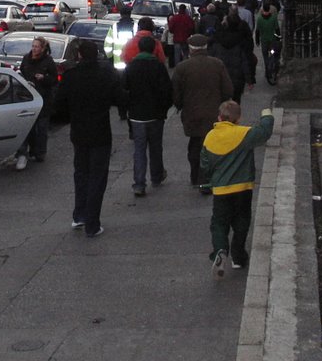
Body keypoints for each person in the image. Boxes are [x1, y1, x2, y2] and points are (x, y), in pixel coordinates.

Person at [54, 40, 126, 238]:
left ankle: (80, 215)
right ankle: (92, 223)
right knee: (97, 176)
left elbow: (58, 103)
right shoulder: (105, 75)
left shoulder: (71, 76)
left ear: (79, 56)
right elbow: (119, 99)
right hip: (101, 131)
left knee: (81, 173)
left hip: (79, 131)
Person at [201, 100, 275, 278]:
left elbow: (205, 164)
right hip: (243, 188)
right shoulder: (244, 134)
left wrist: (210, 181)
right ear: (238, 118)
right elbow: (264, 132)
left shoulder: (210, 137)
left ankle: (220, 250)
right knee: (241, 222)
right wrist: (267, 114)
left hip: (221, 191)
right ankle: (238, 256)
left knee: (219, 223)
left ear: (219, 117)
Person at [172, 34, 233, 191]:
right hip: (214, 113)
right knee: (212, 146)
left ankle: (196, 177)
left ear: (191, 49)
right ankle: (209, 177)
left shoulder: (182, 68)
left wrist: (180, 105)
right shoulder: (217, 64)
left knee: (195, 145)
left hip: (192, 113)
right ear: (206, 48)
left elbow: (176, 94)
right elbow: (228, 90)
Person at [121, 35, 172, 197]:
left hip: (137, 115)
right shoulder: (158, 67)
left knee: (139, 150)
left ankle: (139, 183)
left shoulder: (131, 67)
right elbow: (167, 91)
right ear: (153, 49)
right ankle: (156, 176)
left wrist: (128, 108)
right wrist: (164, 109)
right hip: (156, 114)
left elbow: (123, 90)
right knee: (156, 147)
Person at [18, 36, 58, 167]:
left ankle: (40, 153)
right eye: (33, 46)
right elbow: (21, 73)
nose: (34, 49)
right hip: (28, 98)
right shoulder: (26, 59)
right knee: (29, 128)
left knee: (41, 129)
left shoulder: (48, 61)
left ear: (42, 48)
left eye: (36, 47)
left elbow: (54, 79)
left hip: (43, 99)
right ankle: (29, 151)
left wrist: (44, 78)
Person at [209, 12, 255, 102]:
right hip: (236, 80)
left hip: (221, 79)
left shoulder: (217, 40)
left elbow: (210, 60)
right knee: (235, 103)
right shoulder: (240, 41)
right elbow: (244, 62)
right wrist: (249, 79)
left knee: (221, 104)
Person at [254, 0, 280, 73]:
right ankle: (271, 64)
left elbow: (257, 31)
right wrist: (279, 38)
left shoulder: (259, 19)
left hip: (264, 41)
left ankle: (267, 67)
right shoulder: (273, 18)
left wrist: (257, 41)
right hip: (272, 41)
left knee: (265, 55)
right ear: (269, 8)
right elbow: (277, 29)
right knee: (272, 53)